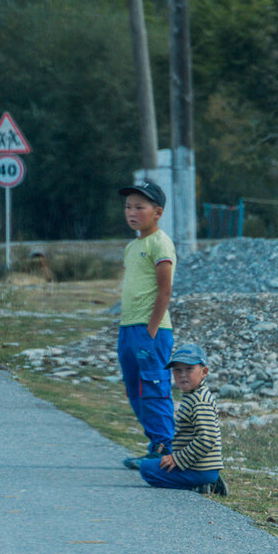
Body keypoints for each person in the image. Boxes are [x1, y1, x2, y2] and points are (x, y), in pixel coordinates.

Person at [117, 179, 176, 468]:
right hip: (128, 329)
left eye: (140, 207)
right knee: (134, 389)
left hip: (151, 330)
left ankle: (167, 449)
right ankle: (156, 444)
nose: (132, 212)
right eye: (128, 206)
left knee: (154, 386)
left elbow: (165, 290)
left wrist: (150, 331)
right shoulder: (132, 246)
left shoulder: (160, 242)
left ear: (158, 212)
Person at [136, 343, 227, 496]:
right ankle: (205, 481)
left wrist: (177, 459)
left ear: (204, 372)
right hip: (198, 466)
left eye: (189, 369)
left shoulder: (200, 401)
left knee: (147, 469)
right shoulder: (194, 395)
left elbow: (207, 438)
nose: (182, 374)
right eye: (177, 370)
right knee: (160, 457)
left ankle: (201, 486)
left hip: (200, 468)